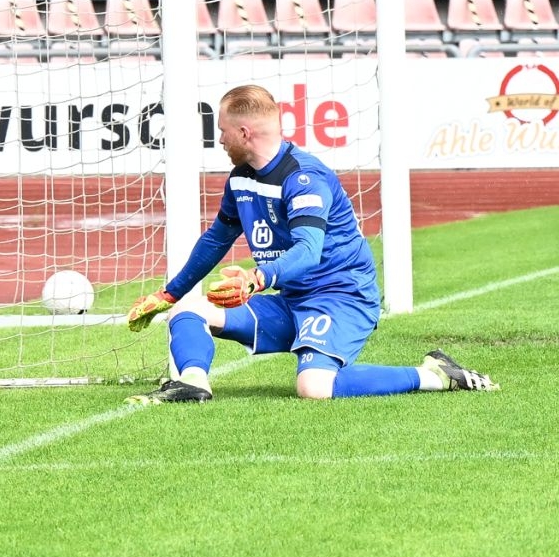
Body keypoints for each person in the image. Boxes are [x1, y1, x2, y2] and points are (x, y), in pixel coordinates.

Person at [123, 85, 495, 403]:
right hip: (291, 300)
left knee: (314, 387)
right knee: (188, 311)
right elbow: (217, 238)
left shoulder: (304, 178)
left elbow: (308, 251)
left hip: (341, 297)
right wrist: (169, 293)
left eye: (223, 131)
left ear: (244, 132)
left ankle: (435, 374)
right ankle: (192, 384)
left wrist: (256, 279)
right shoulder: (240, 179)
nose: (219, 139)